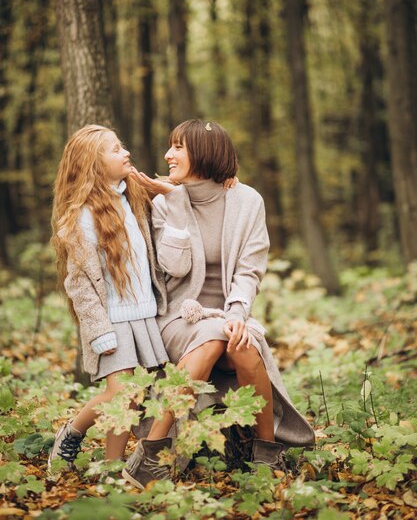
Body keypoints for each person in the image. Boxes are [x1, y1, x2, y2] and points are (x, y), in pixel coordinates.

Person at [122, 119, 314, 489]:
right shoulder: (164, 201)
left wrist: (238, 316)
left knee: (244, 348)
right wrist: (176, 205)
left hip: (227, 315)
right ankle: (151, 452)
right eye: (169, 146)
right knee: (212, 336)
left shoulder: (247, 202)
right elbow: (173, 266)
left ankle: (266, 455)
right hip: (179, 317)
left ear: (205, 152)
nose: (168, 155)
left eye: (178, 147)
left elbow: (249, 269)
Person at [48, 125, 168, 467]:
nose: (126, 152)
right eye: (116, 150)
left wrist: (227, 183)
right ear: (94, 165)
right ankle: (72, 433)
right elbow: (80, 284)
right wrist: (99, 331)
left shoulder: (134, 199)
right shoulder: (81, 218)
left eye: (123, 145)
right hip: (111, 321)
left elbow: (185, 199)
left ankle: (113, 467)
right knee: (120, 393)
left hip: (143, 316)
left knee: (133, 398)